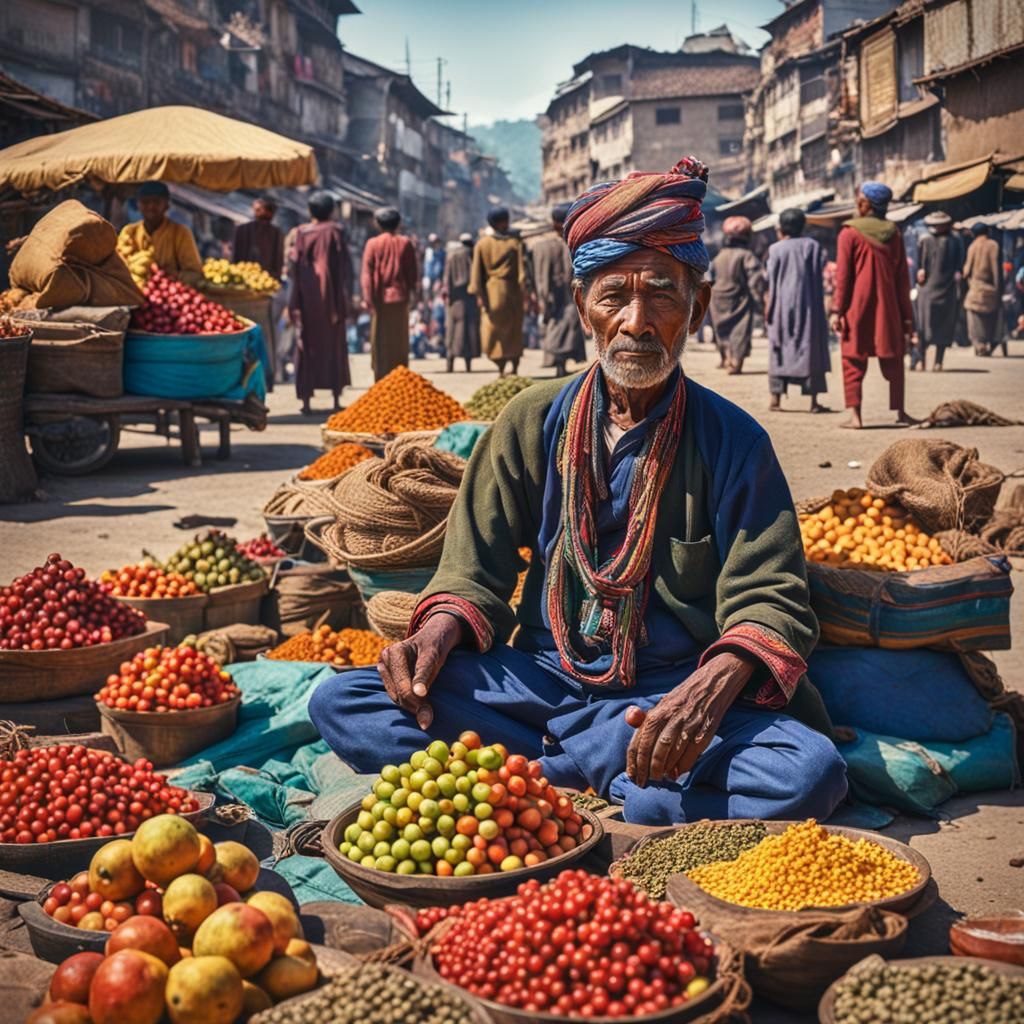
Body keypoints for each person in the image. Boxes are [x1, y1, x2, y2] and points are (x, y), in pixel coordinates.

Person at [309, 156, 848, 827]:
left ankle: (533, 778)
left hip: (664, 699)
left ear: (698, 308)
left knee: (809, 772)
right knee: (345, 702)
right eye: (613, 296)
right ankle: (620, 782)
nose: (637, 321)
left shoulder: (733, 440)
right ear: (581, 307)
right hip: (540, 684)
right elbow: (472, 571)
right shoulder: (529, 421)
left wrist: (710, 687)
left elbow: (771, 595)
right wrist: (435, 637)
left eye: (662, 295)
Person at [830, 181, 915, 430]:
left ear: (865, 204)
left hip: (856, 308)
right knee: (894, 358)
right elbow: (902, 280)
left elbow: (843, 277)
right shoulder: (894, 234)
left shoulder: (849, 233)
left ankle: (856, 416)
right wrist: (907, 318)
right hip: (889, 310)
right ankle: (900, 411)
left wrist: (837, 310)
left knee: (853, 359)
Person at [287, 191, 353, 415]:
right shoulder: (336, 232)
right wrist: (344, 298)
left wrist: (294, 301)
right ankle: (335, 399)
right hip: (331, 301)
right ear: (332, 211)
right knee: (334, 347)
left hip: (306, 300)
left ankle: (306, 401)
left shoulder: (301, 233)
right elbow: (343, 268)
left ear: (310, 211)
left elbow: (295, 267)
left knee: (306, 347)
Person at [765, 208, 830, 412]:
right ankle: (813, 402)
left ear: (782, 227)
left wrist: (768, 306)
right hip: (809, 307)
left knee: (779, 349)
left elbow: (770, 280)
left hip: (781, 307)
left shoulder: (776, 249)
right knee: (810, 349)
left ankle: (775, 399)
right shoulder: (813, 246)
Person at [361, 207, 418, 381]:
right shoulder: (405, 243)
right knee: (399, 341)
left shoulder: (372, 244)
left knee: (380, 342)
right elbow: (412, 274)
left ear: (378, 224)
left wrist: (368, 299)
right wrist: (414, 296)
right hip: (400, 299)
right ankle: (399, 379)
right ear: (398, 224)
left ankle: (381, 379)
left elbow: (367, 275)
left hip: (379, 300)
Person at [532, 202, 588, 378]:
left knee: (564, 328)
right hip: (561, 298)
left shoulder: (572, 244)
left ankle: (560, 364)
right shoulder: (573, 244)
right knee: (561, 328)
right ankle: (559, 364)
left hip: (564, 297)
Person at [471, 206, 526, 377]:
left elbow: (476, 274)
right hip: (512, 292)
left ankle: (500, 367)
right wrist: (525, 292)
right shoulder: (515, 243)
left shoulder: (482, 244)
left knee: (492, 331)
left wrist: (480, 295)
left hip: (491, 293)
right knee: (514, 330)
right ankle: (514, 367)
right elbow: (522, 272)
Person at [708, 216, 764, 374]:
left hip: (717, 299)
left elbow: (710, 277)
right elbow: (755, 281)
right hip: (740, 300)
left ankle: (726, 358)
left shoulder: (719, 256)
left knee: (722, 331)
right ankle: (736, 363)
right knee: (739, 331)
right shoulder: (746, 255)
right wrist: (759, 301)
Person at [118, 181, 203, 284]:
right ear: (138, 205)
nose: (151, 206)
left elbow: (195, 273)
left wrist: (173, 276)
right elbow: (118, 266)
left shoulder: (181, 233)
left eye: (156, 202)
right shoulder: (129, 232)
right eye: (145, 202)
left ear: (167, 205)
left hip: (169, 290)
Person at [911, 211, 960, 372]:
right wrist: (920, 273)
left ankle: (939, 361)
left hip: (948, 288)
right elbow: (919, 265)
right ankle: (921, 359)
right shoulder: (925, 240)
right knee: (923, 327)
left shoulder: (954, 241)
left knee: (944, 328)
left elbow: (959, 265)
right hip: (928, 290)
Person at [963, 223, 1005, 357]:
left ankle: (979, 345)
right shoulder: (994, 246)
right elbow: (997, 271)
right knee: (992, 320)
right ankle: (992, 341)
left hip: (975, 291)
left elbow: (966, 271)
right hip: (991, 290)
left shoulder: (973, 246)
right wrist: (998, 291)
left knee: (974, 320)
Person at [442, 232, 480, 373]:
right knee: (468, 332)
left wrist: (447, 297)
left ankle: (450, 363)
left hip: (454, 300)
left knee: (452, 332)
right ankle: (468, 365)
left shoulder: (451, 256)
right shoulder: (472, 255)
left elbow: (446, 280)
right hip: (469, 298)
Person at [233, 195, 285, 277]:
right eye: (257, 209)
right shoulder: (242, 229)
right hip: (246, 274)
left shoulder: (276, 233)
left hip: (265, 276)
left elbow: (278, 258)